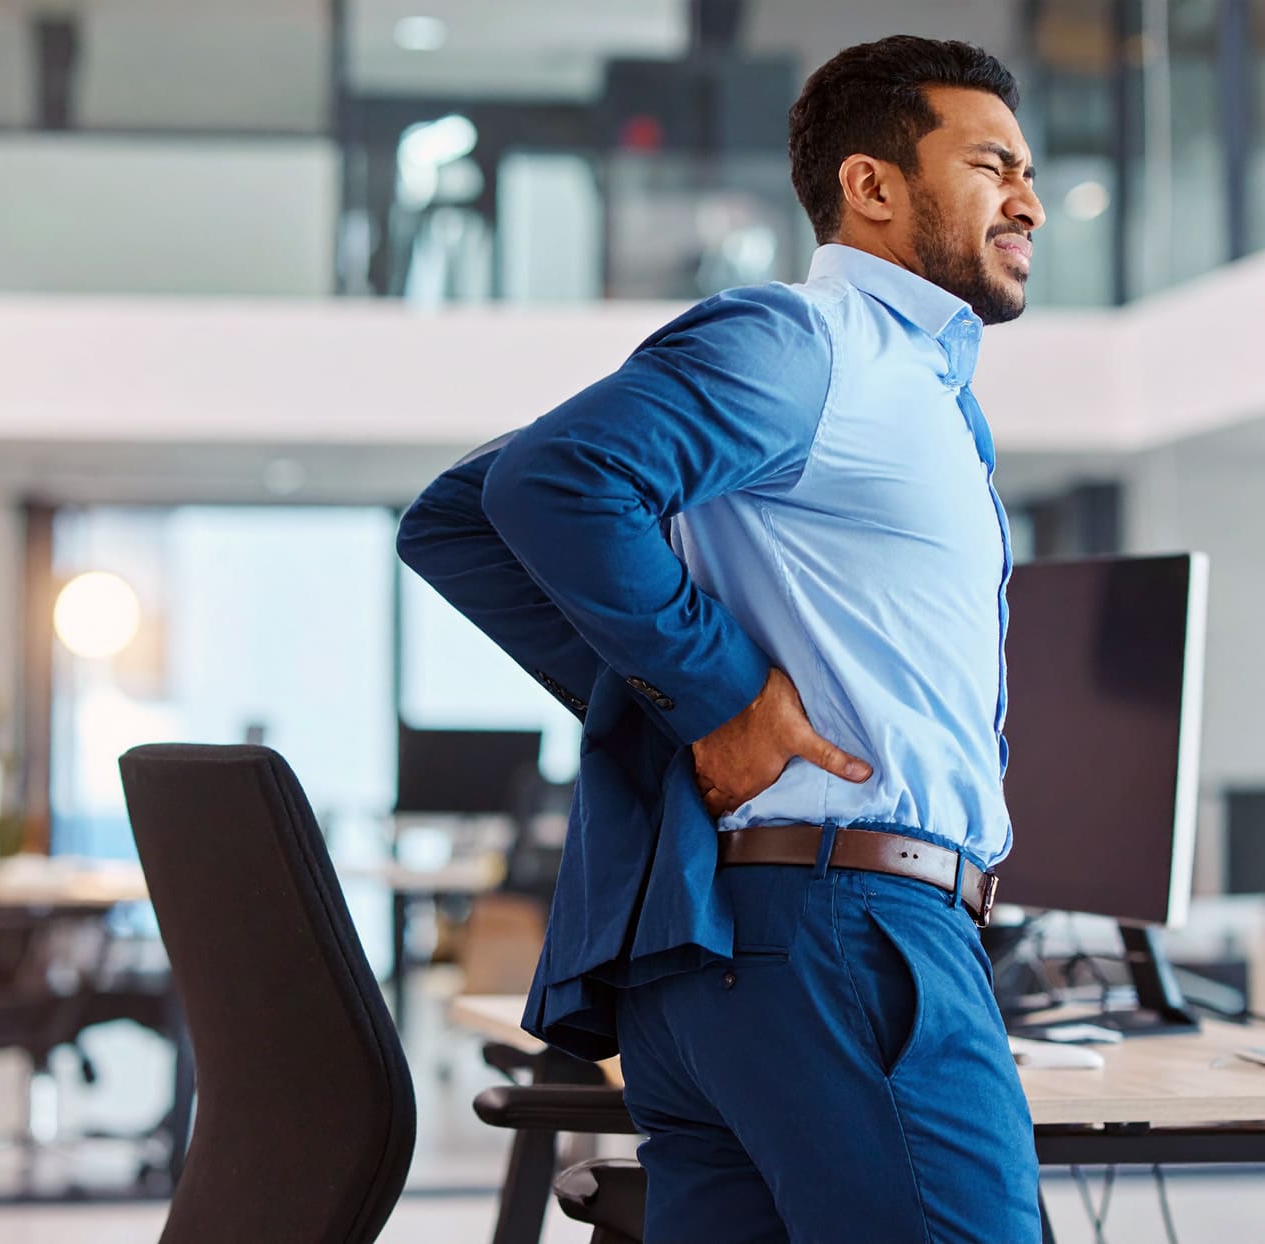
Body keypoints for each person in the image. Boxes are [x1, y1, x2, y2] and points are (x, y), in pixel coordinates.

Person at [398, 34, 1047, 1244]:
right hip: (847, 938)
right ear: (871, 185)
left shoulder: (923, 391)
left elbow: (463, 517)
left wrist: (673, 696)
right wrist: (715, 695)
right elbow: (534, 487)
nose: (1031, 201)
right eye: (991, 164)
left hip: (736, 961)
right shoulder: (812, 346)